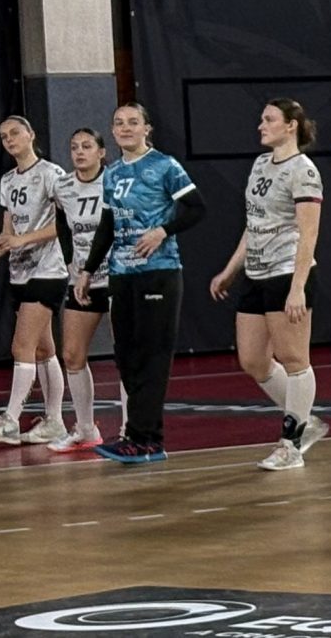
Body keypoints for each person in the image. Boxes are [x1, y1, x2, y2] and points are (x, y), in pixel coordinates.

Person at [81, 103, 205, 465]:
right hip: (122, 275)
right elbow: (107, 224)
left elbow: (197, 208)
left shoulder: (165, 166)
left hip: (159, 272)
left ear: (147, 128)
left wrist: (162, 230)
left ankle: (143, 438)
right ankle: (143, 438)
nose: (125, 128)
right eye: (118, 122)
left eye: (133, 122)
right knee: (128, 358)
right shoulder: (112, 172)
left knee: (152, 357)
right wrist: (88, 270)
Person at [210, 100, 327, 471]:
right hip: (257, 273)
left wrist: (298, 286)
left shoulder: (303, 171)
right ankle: (307, 421)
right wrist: (230, 269)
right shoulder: (261, 164)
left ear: (291, 125)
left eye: (269, 119)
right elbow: (254, 224)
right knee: (253, 359)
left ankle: (291, 443)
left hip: (286, 272)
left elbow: (309, 233)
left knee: (295, 359)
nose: (261, 125)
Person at [0, 117, 71, 446]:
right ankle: (55, 422)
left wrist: (26, 239)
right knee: (44, 349)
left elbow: (66, 223)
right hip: (20, 271)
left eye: (15, 132)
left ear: (31, 134)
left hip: (49, 270)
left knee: (22, 346)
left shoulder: (51, 174)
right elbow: (9, 230)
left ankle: (10, 420)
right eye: (3, 136)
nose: (9, 139)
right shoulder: (7, 180)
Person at [52, 128, 112, 452]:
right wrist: (70, 263)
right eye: (74, 147)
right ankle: (86, 428)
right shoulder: (63, 187)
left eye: (87, 146)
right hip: (82, 281)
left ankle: (132, 429)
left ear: (101, 152)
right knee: (72, 354)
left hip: (114, 277)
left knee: (127, 357)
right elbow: (62, 223)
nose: (79, 152)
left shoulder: (114, 181)